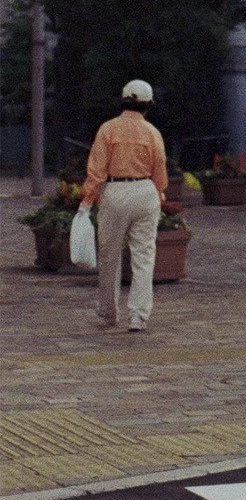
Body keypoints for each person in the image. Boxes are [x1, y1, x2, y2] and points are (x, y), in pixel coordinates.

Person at [80, 80, 168, 334]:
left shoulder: (108, 129)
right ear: (148, 105)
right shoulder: (152, 132)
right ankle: (138, 316)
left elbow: (96, 170)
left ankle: (109, 312)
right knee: (143, 256)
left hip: (115, 191)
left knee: (109, 255)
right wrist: (159, 192)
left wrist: (87, 200)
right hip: (145, 192)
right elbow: (160, 170)